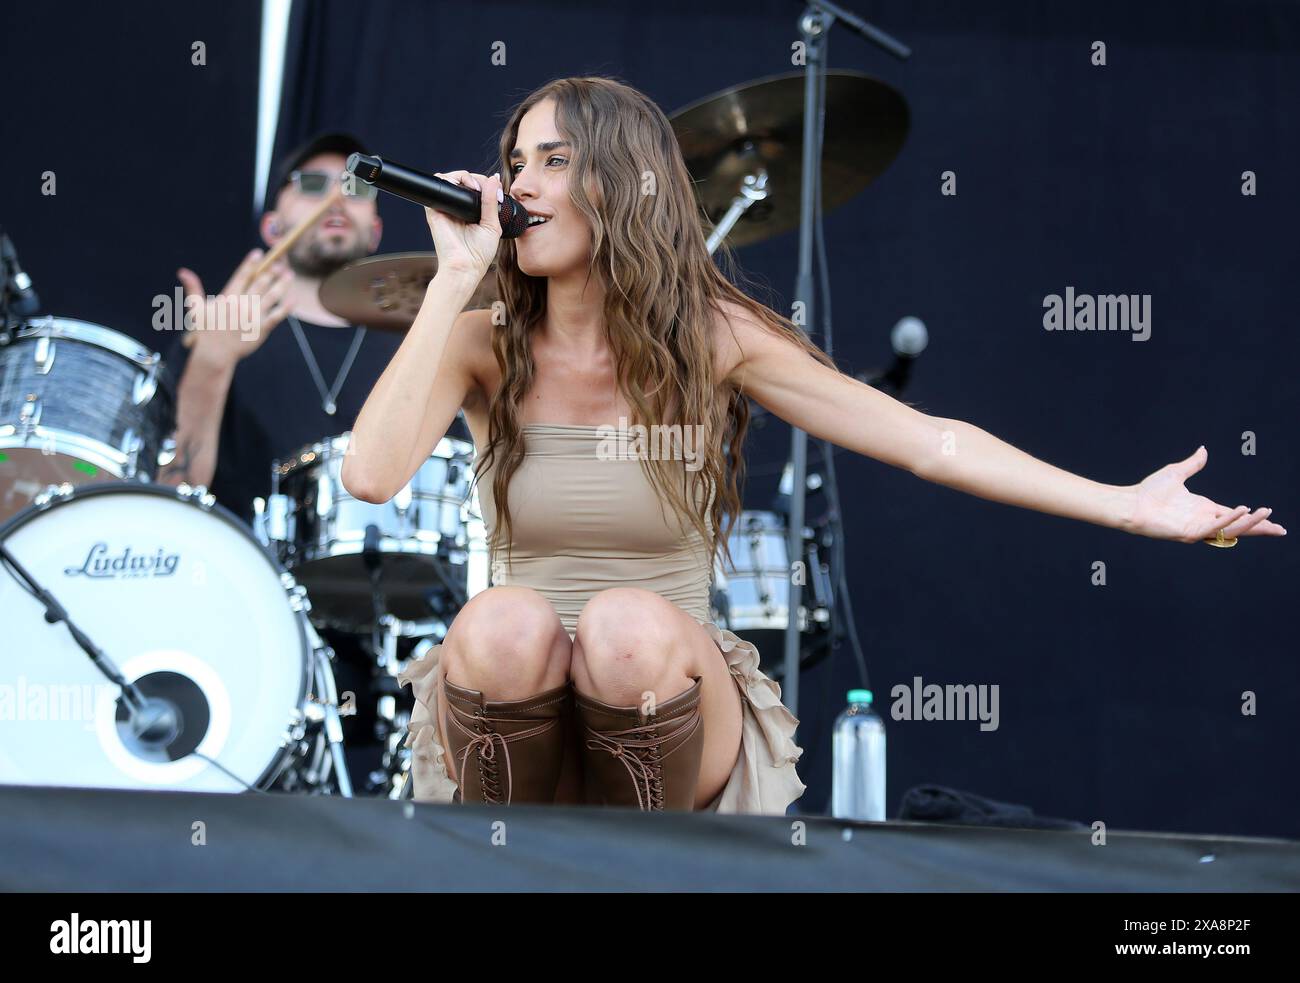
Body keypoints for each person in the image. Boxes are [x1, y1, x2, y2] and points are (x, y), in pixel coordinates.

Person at [342, 77, 1285, 814]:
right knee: (500, 624)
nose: (520, 184)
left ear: (619, 183)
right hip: (518, 703)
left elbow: (932, 443)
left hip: (667, 694)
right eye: (515, 162)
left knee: (626, 630)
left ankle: (643, 870)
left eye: (552, 160)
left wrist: (1126, 502)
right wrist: (450, 283)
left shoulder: (713, 336)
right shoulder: (482, 338)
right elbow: (370, 476)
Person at [159, 132, 407, 522]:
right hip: (248, 575)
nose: (337, 197)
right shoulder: (216, 332)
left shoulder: (412, 345)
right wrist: (211, 361)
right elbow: (169, 499)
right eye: (311, 184)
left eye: (356, 185)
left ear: (375, 231)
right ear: (272, 228)